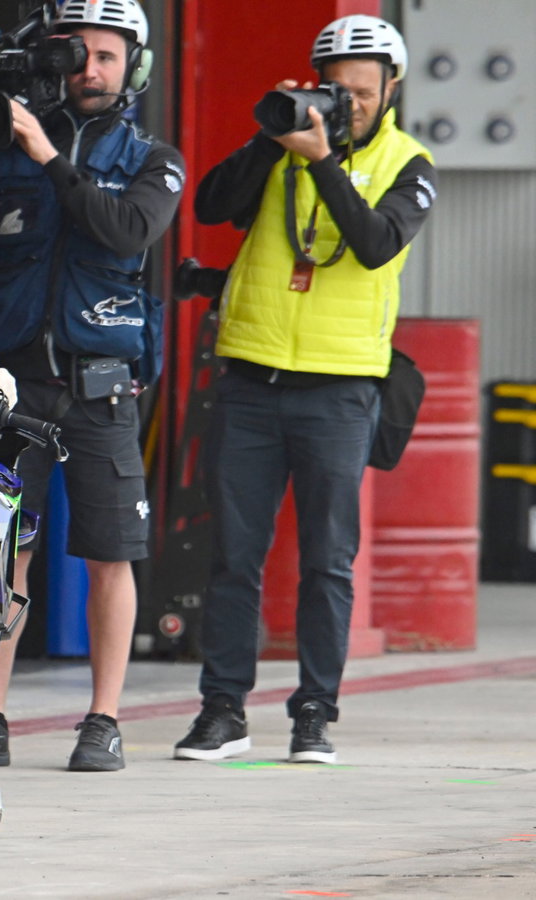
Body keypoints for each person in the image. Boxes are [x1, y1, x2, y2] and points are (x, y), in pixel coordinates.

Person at [174, 15, 435, 765]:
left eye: (360, 91)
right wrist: (271, 135)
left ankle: (314, 711)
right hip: (252, 374)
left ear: (390, 89)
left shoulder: (409, 164)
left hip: (341, 386)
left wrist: (322, 161)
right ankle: (222, 708)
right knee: (234, 554)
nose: (345, 104)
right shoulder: (287, 145)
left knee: (326, 558)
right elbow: (211, 206)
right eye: (335, 89)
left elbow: (376, 242)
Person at [0, 0, 184, 772]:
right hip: (15, 383)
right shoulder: (7, 144)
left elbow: (125, 231)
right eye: (75, 55)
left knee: (112, 554)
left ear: (133, 65)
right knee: (5, 549)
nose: (90, 70)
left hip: (103, 384)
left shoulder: (153, 158)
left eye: (107, 56)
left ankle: (104, 719)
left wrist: (47, 154)